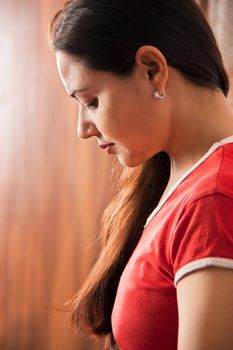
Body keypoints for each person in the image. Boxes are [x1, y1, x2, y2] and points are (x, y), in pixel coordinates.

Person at [49, 0, 233, 349]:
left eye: (91, 101)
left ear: (152, 70)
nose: (82, 129)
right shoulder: (179, 179)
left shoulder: (214, 199)